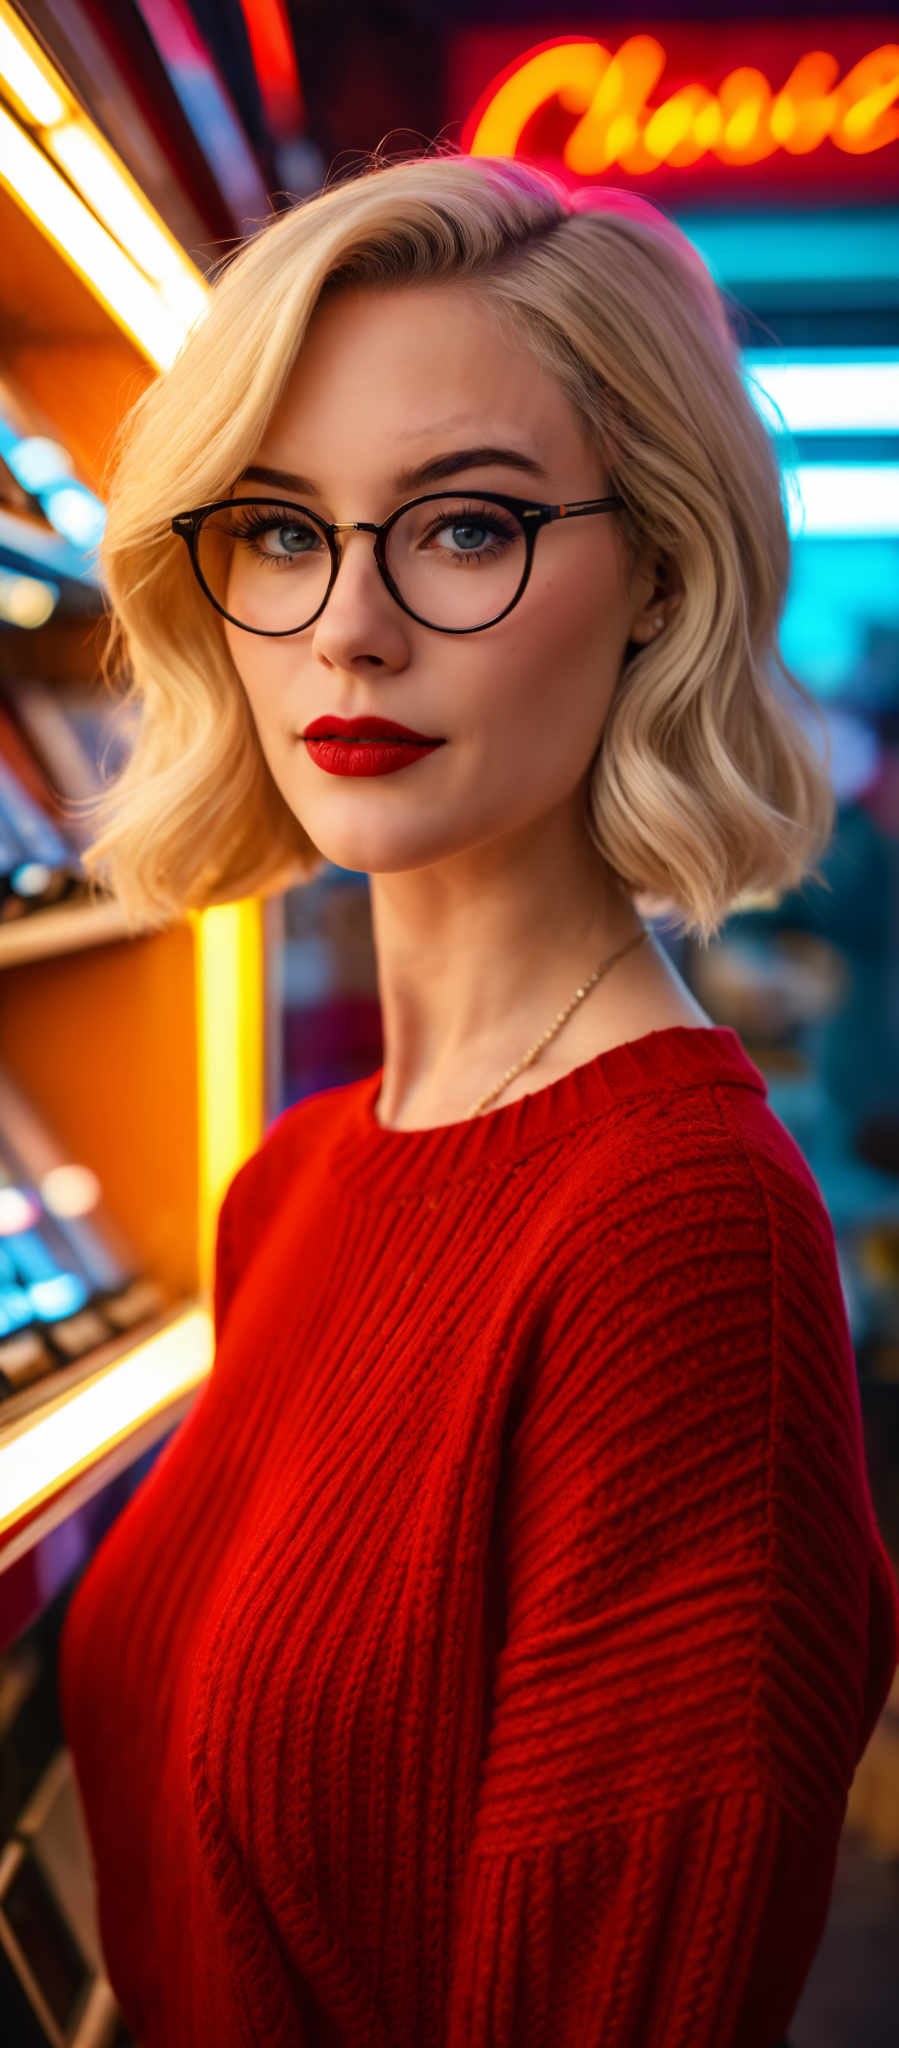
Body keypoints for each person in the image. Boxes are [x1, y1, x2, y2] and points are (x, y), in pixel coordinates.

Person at [57, 147, 899, 2048]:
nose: (347, 625)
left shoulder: (679, 1238)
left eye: (464, 526)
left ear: (661, 580)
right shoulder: (296, 1177)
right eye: (279, 530)